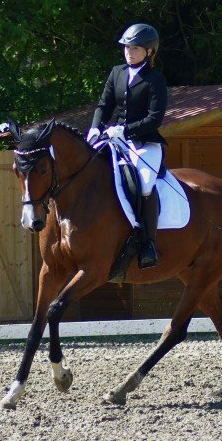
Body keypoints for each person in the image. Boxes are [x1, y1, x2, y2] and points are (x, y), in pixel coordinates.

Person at [86, 23, 168, 269]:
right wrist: (95, 127)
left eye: (135, 48)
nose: (128, 52)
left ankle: (149, 243)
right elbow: (104, 105)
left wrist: (125, 129)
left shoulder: (155, 79)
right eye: (126, 47)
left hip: (144, 142)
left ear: (149, 52)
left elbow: (155, 118)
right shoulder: (117, 72)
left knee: (144, 183)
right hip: (113, 137)